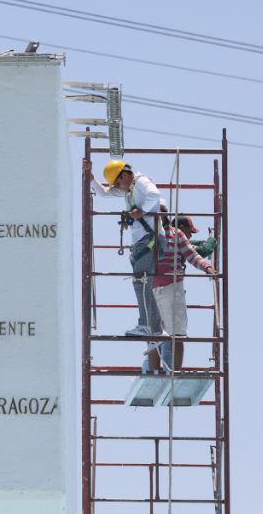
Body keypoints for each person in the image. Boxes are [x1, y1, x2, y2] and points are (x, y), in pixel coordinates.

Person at [91, 159, 164, 338]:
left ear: (124, 175)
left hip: (149, 239)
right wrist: (90, 178)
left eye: (117, 182)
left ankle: (147, 326)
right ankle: (154, 328)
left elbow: (154, 195)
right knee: (142, 283)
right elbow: (104, 193)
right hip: (145, 240)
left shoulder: (140, 182)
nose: (117, 186)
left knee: (142, 282)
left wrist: (141, 211)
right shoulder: (129, 188)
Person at [148, 215, 216, 374]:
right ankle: (165, 373)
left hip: (160, 287)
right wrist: (211, 242)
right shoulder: (168, 235)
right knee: (168, 334)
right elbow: (200, 251)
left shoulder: (160, 235)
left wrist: (207, 264)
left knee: (163, 334)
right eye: (189, 232)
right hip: (164, 288)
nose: (191, 235)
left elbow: (194, 252)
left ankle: (162, 372)